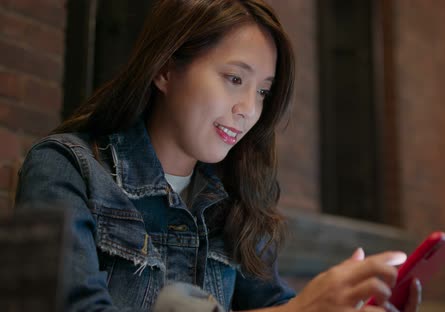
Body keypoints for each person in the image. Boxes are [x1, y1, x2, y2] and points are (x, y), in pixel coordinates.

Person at [15, 0, 421, 311]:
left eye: (262, 91)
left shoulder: (236, 199)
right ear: (165, 70)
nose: (249, 108)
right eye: (234, 79)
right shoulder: (65, 169)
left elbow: (270, 306)